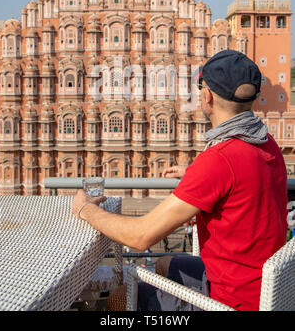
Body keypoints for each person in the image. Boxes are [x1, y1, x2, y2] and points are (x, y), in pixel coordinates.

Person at [72, 50, 288, 311]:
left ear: (207, 96)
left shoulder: (220, 160)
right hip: (260, 283)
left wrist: (87, 210)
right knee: (164, 264)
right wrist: (195, 176)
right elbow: (239, 180)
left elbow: (140, 237)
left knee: (119, 297)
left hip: (229, 301)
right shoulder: (265, 141)